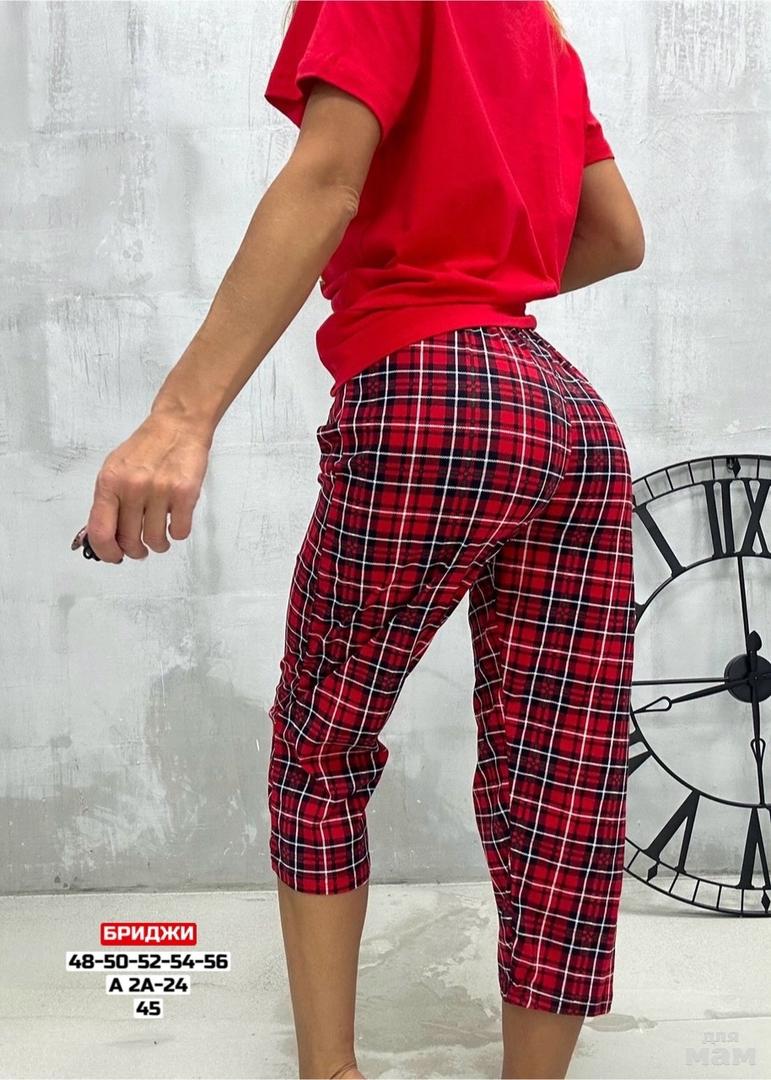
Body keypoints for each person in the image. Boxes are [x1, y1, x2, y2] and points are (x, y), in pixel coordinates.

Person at [82, 1, 645, 1077]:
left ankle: (331, 1074)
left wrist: (179, 416)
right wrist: (488, 278)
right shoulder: (543, 34)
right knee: (563, 780)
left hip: (433, 393)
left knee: (321, 748)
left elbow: (328, 178)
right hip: (571, 419)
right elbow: (617, 236)